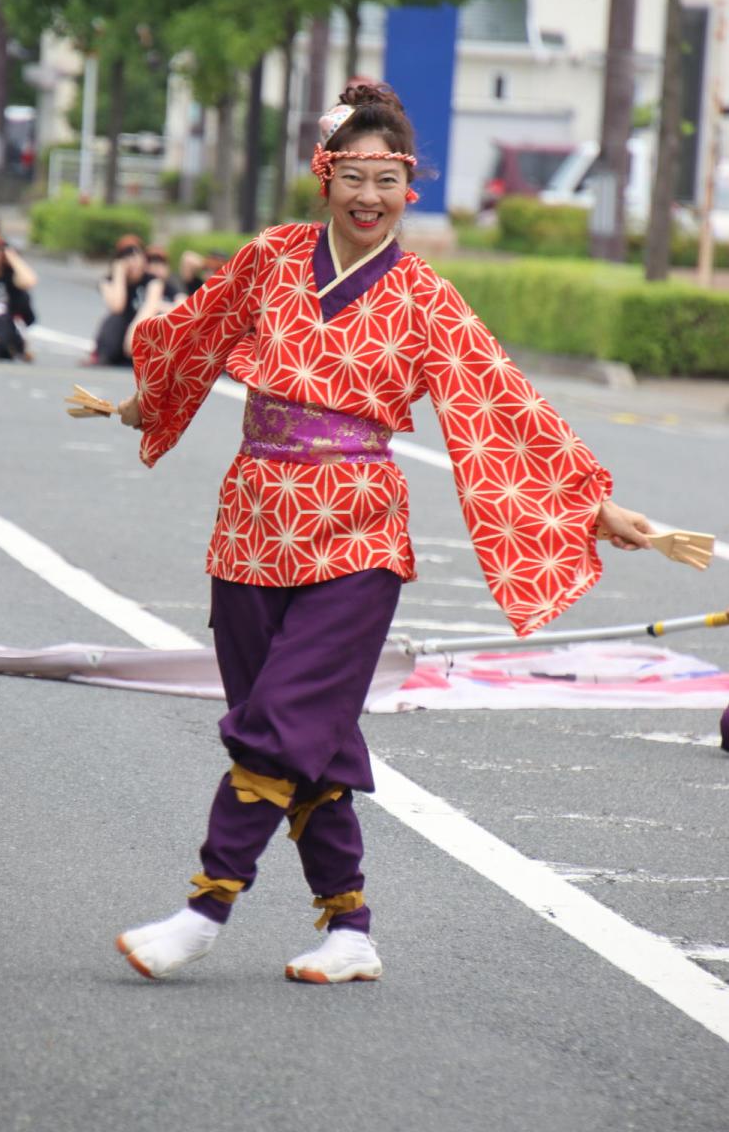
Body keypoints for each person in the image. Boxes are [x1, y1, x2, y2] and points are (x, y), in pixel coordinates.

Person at [113, 82, 652, 985]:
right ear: (324, 179)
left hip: (356, 533)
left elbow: (501, 402)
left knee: (279, 727)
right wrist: (144, 401)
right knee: (296, 731)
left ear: (410, 187)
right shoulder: (272, 259)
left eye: (389, 178)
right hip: (249, 524)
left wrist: (587, 502)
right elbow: (198, 334)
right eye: (353, 174)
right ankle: (349, 928)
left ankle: (205, 908)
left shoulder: (428, 299)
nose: (370, 196)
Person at [91, 236, 168, 365]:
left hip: (138, 334)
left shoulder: (152, 281)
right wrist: (119, 273)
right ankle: (105, 356)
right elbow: (117, 306)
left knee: (157, 321)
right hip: (120, 334)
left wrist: (134, 333)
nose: (133, 262)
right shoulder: (108, 281)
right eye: (127, 257)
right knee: (114, 319)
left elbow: (151, 306)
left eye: (136, 256)